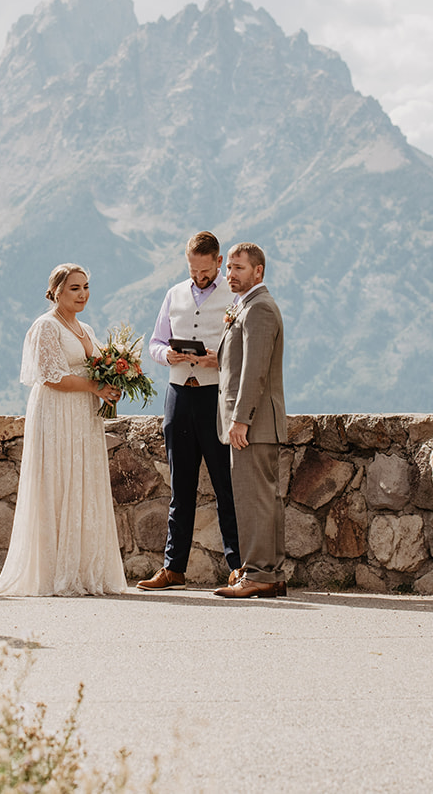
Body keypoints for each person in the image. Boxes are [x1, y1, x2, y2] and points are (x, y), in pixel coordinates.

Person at [0, 264, 127, 597]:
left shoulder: (86, 328)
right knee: (57, 482)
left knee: (83, 482)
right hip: (56, 413)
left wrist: (112, 385)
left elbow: (96, 368)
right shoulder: (46, 327)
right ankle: (54, 571)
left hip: (83, 415)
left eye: (85, 287)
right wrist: (97, 386)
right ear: (56, 291)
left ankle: (85, 569)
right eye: (74, 288)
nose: (83, 294)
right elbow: (52, 376)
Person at [137, 231, 240, 590]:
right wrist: (168, 355)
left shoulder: (235, 296)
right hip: (179, 395)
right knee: (180, 486)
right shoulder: (174, 294)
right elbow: (154, 342)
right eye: (193, 269)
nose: (199, 276)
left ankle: (238, 567)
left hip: (216, 397)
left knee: (226, 486)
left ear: (219, 261)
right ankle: (173, 568)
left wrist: (219, 360)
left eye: (205, 270)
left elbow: (244, 347)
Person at [214, 243, 288, 600]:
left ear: (258, 271)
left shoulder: (259, 309)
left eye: (238, 268)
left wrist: (240, 419)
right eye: (228, 268)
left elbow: (254, 372)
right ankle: (267, 572)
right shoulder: (246, 307)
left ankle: (259, 573)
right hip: (254, 422)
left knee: (254, 499)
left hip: (253, 423)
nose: (230, 274)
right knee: (261, 498)